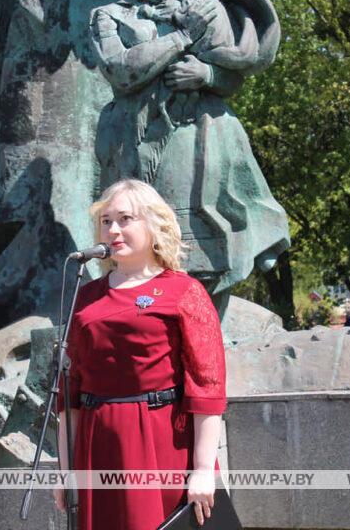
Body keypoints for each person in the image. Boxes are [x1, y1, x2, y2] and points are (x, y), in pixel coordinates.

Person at [90, 0, 289, 307]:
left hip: (191, 130)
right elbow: (121, 70)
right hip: (131, 139)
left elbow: (233, 75)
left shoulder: (202, 5)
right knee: (134, 240)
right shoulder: (108, 14)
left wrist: (208, 74)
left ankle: (202, 327)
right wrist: (182, 37)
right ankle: (144, 321)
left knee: (192, 244)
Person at [54, 179, 227, 529]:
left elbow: (207, 389)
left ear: (153, 224)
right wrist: (64, 470)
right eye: (105, 221)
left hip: (160, 438)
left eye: (125, 219)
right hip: (97, 442)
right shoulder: (84, 298)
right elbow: (69, 394)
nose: (113, 230)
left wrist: (204, 469)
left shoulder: (184, 292)